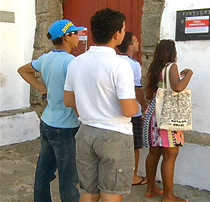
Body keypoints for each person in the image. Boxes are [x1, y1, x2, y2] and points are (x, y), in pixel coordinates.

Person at [63, 8, 138, 202]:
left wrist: (90, 112)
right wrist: (138, 107)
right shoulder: (120, 65)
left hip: (86, 132)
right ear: (116, 34)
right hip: (114, 134)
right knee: (111, 194)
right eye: (123, 29)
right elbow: (128, 109)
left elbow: (69, 101)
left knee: (88, 192)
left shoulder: (76, 63)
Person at [17, 19, 84, 202]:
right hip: (66, 127)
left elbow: (23, 70)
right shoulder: (71, 62)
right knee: (68, 179)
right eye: (75, 33)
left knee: (43, 174)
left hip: (47, 123)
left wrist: (42, 89)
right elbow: (75, 98)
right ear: (66, 37)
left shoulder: (46, 58)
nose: (78, 36)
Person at [143, 39, 193, 202]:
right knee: (170, 154)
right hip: (168, 115)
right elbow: (178, 87)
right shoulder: (172, 67)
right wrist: (189, 74)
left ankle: (151, 189)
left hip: (153, 113)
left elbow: (149, 95)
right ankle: (168, 196)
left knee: (153, 152)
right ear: (172, 52)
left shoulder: (153, 70)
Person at [116, 31, 148, 186]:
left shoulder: (113, 61)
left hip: (115, 110)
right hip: (132, 110)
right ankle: (133, 176)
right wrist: (145, 106)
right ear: (130, 47)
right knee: (134, 145)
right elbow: (138, 89)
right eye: (136, 41)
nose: (138, 43)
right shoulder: (133, 65)